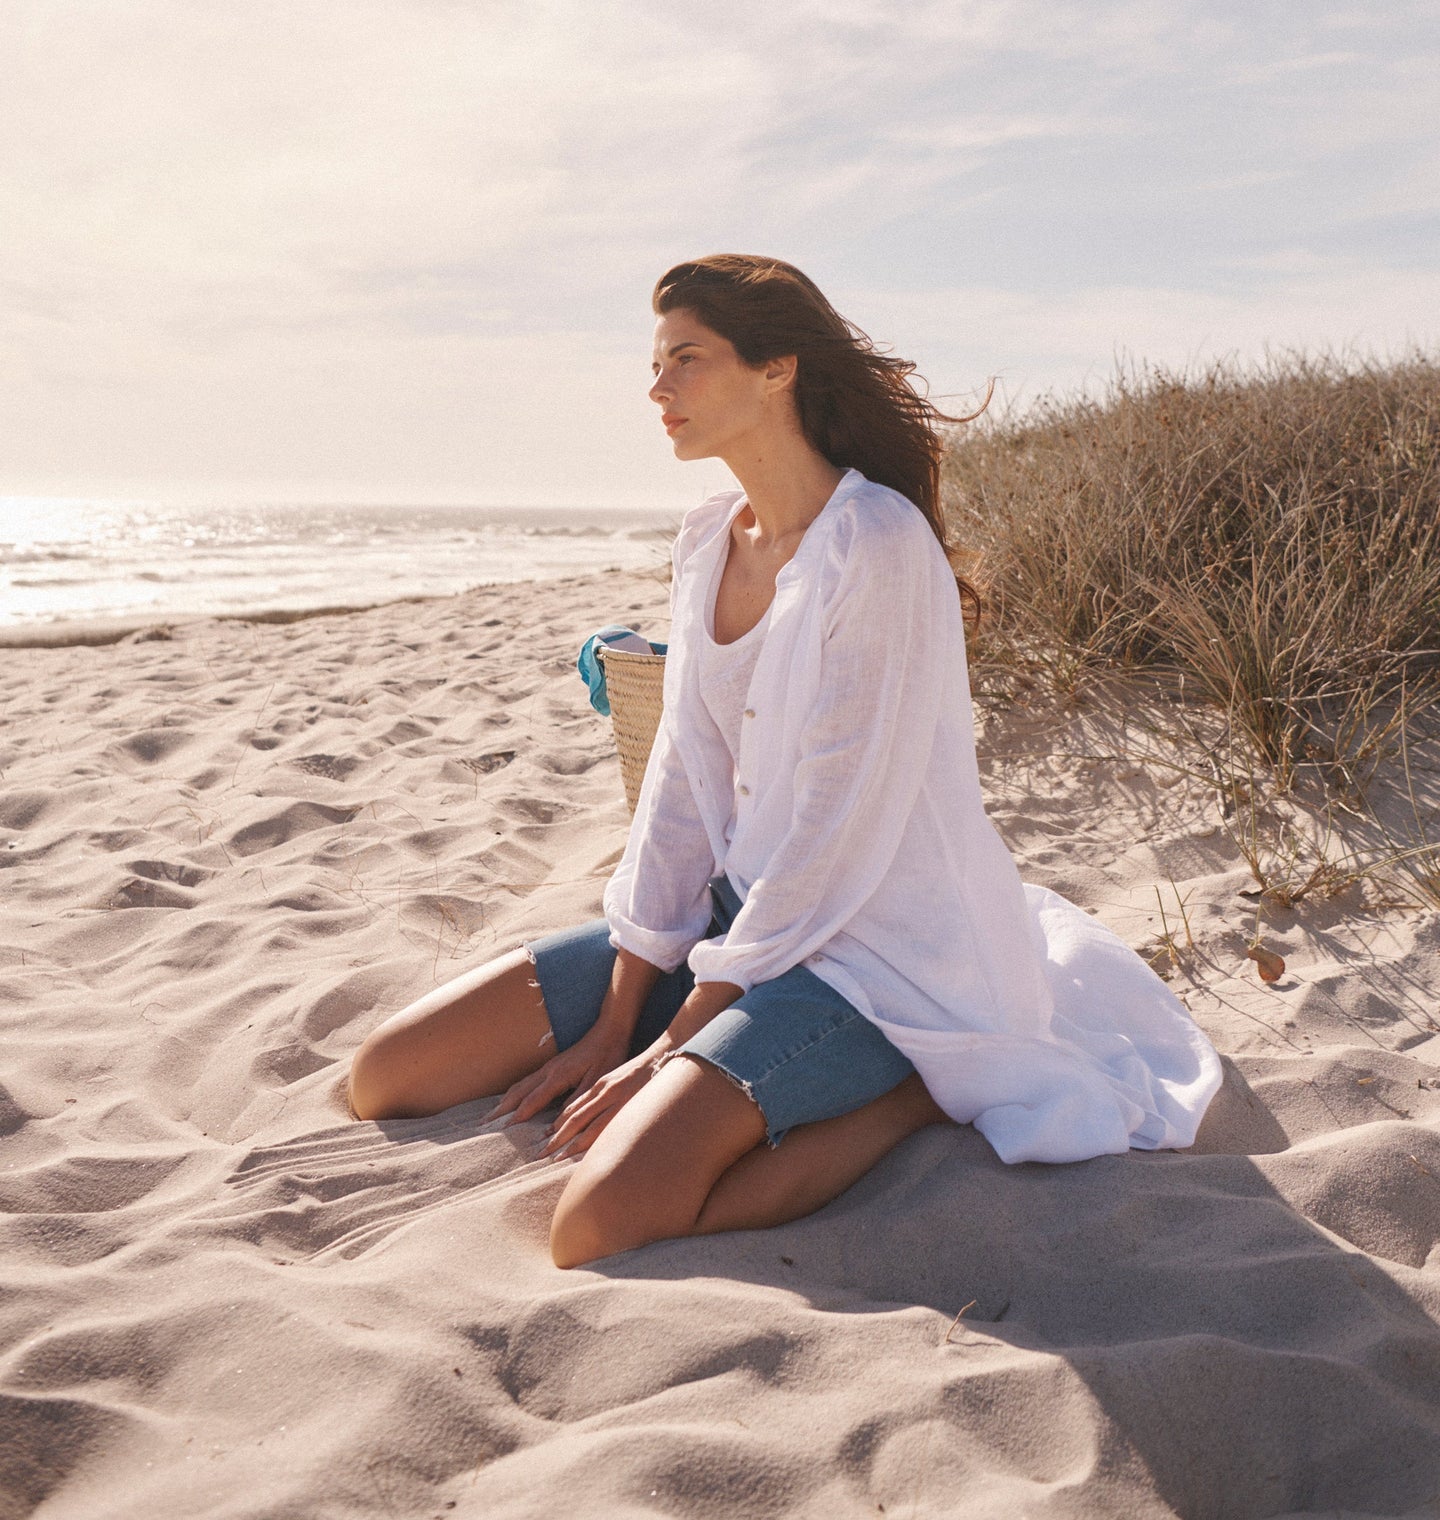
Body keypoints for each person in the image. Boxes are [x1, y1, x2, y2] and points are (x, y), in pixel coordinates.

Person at [347, 255, 1221, 1268]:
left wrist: (673, 1047)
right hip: (739, 922)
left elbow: (832, 841)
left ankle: (908, 1098)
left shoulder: (877, 544)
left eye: (686, 359)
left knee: (597, 1223)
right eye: (655, 362)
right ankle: (701, 1049)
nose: (657, 388)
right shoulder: (709, 539)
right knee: (391, 1073)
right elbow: (680, 776)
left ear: (777, 371)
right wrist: (620, 1015)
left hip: (874, 956)